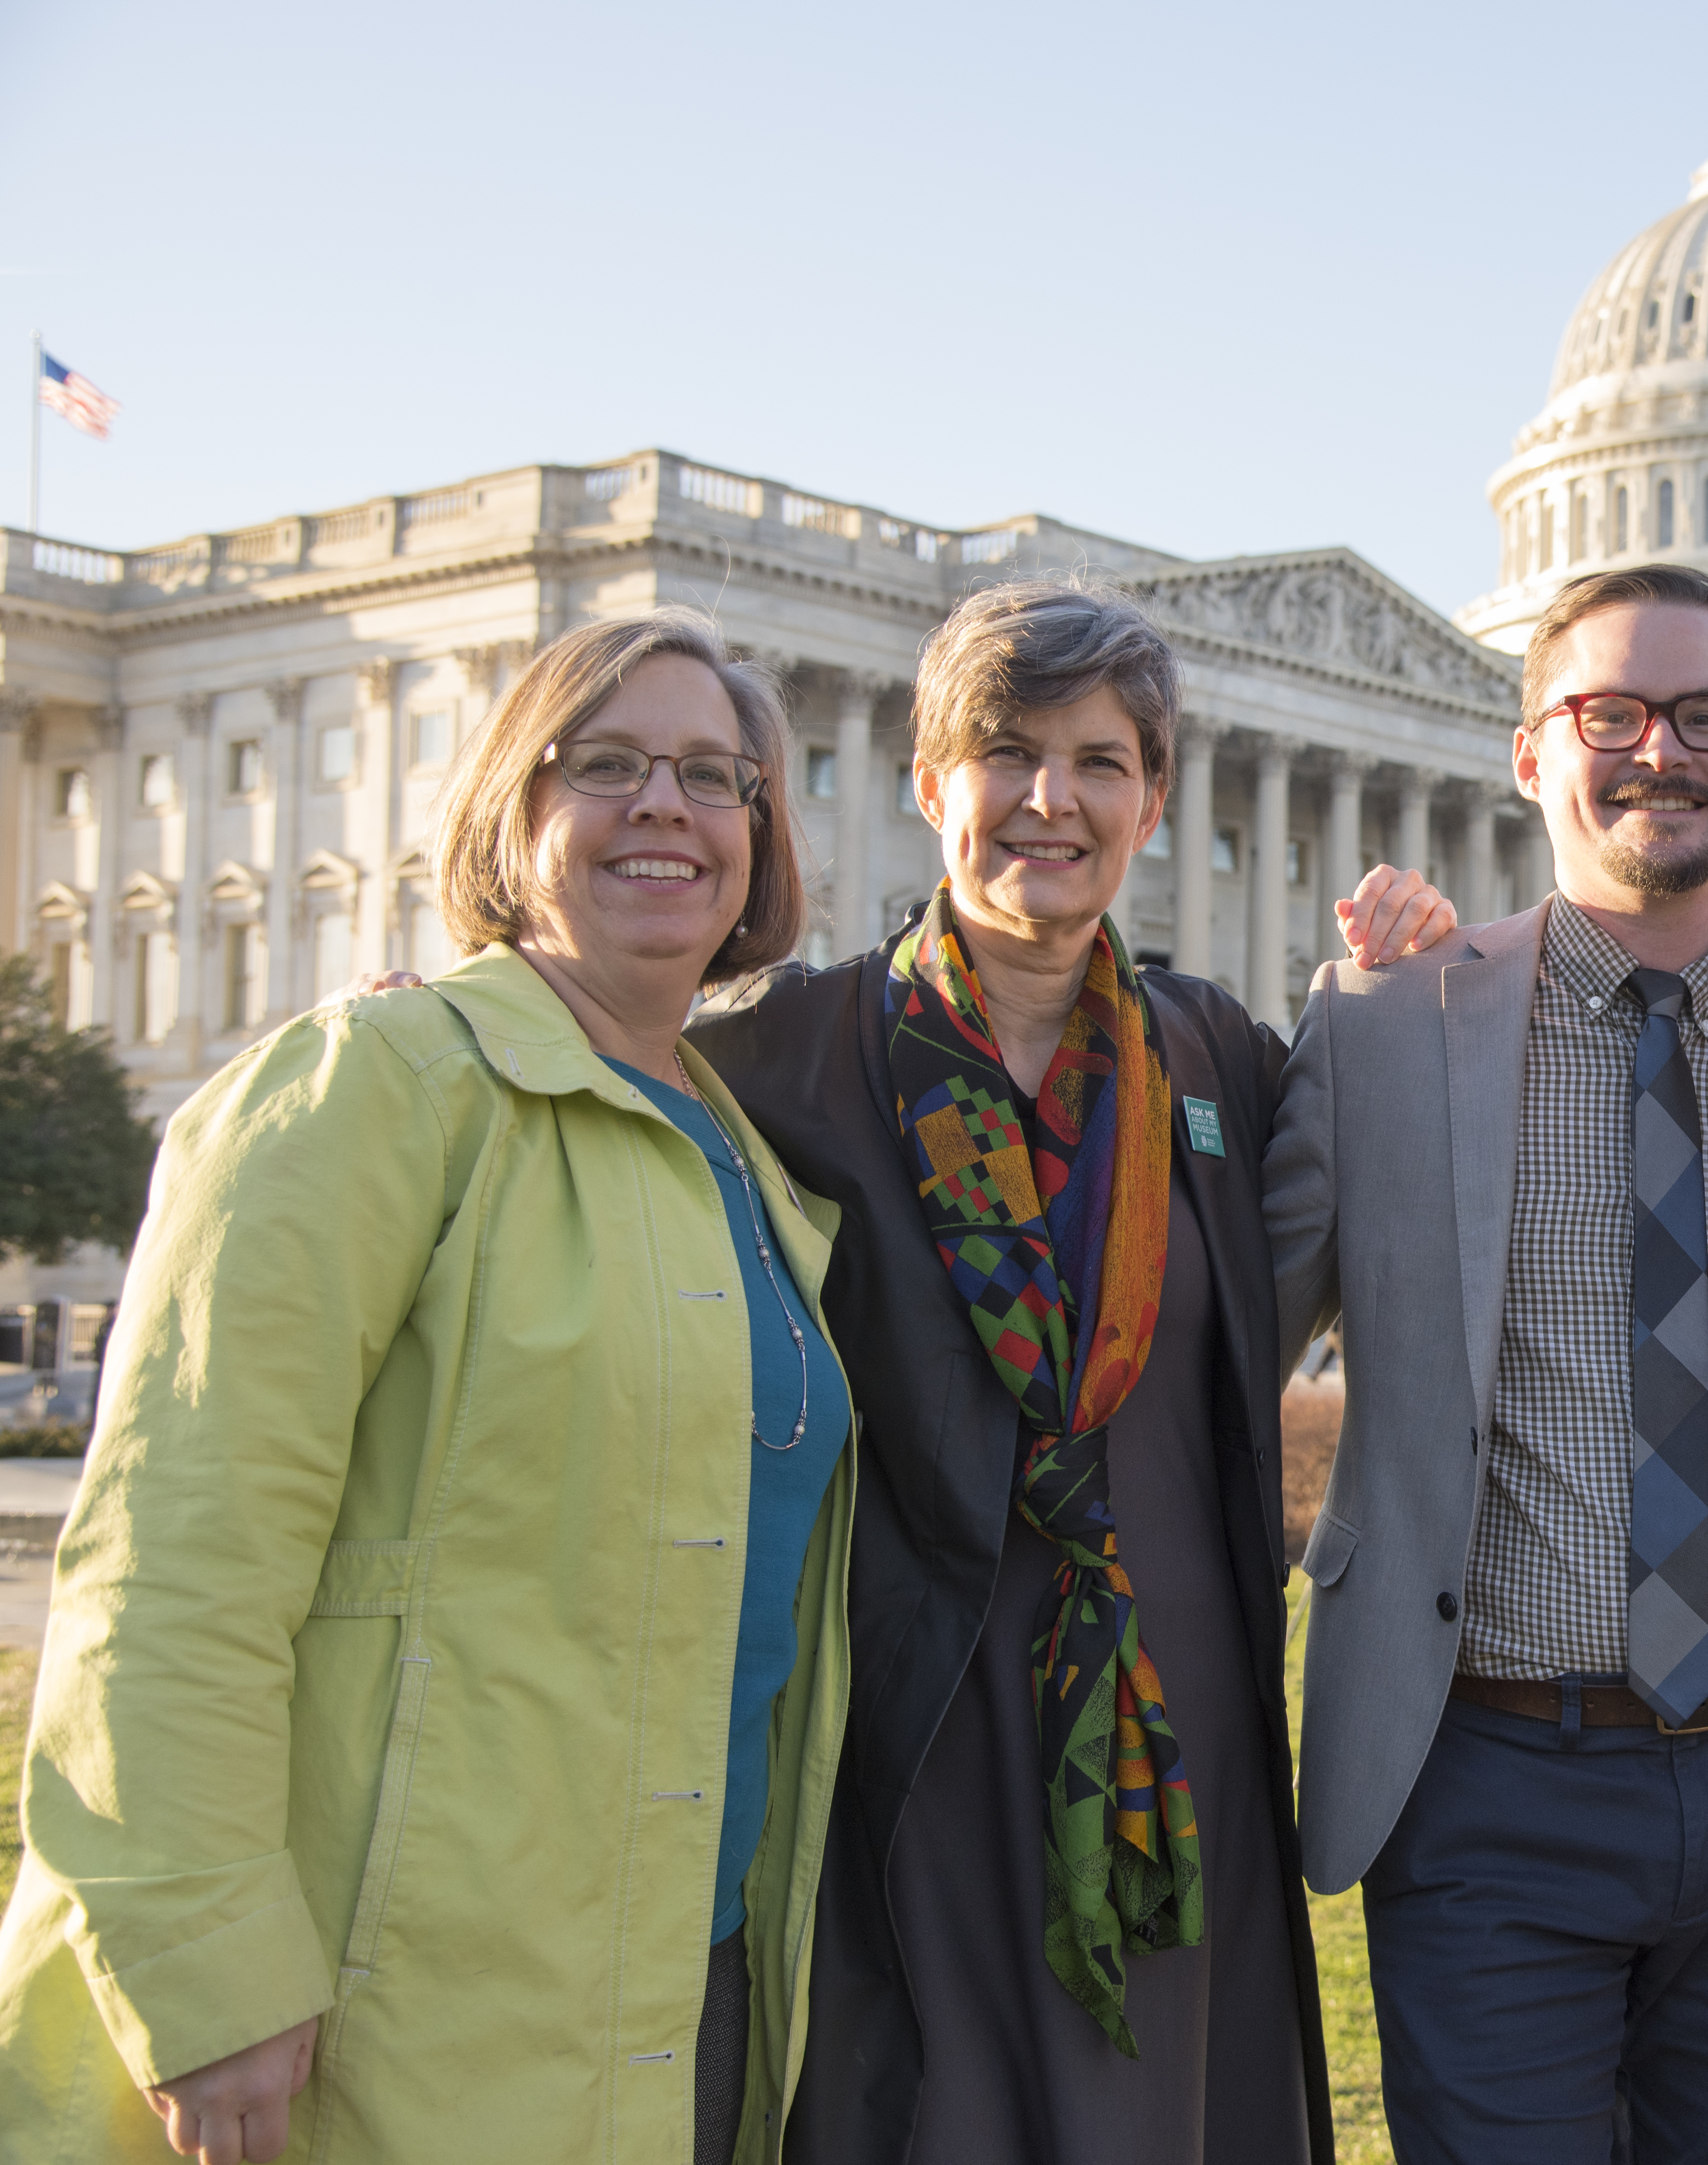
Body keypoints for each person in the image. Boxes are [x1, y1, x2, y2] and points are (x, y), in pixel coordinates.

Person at [0, 611, 856, 2165]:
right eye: (603, 763)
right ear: (509, 818)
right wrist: (205, 1971)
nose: (664, 804)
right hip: (387, 1999)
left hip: (685, 1976)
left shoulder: (745, 1159)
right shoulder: (372, 1084)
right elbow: (171, 1566)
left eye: (714, 777)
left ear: (760, 838)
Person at [684, 578, 1448, 2165]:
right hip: (920, 1734)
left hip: (1178, 1725)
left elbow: (1377, 1226)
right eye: (1007, 753)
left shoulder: (1215, 1061)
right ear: (928, 781)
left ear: (1153, 800)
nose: (1052, 800)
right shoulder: (782, 1059)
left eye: (1101, 762)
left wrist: (1404, 981)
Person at [1264, 563, 1708, 2164]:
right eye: (1608, 713)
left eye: (1706, 716)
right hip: (1489, 1779)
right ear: (1530, 750)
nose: (1659, 752)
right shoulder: (1384, 1034)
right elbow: (1218, 1353)